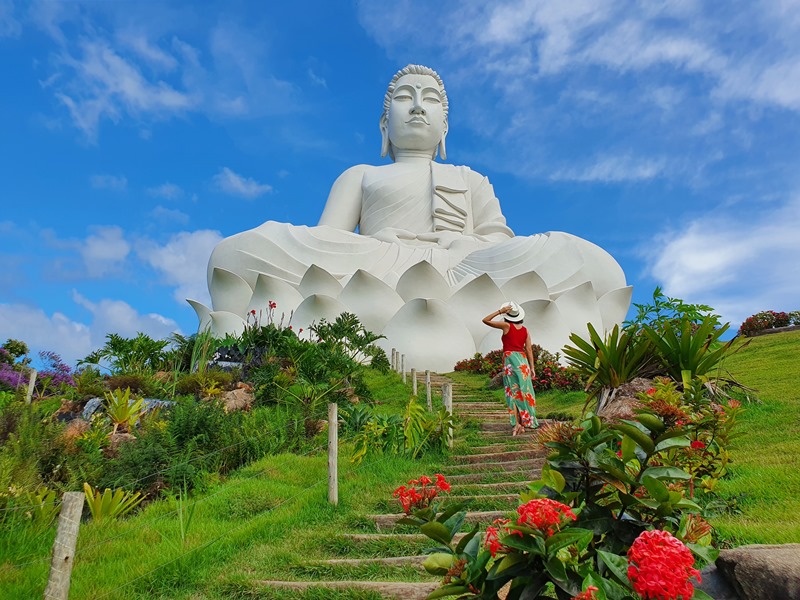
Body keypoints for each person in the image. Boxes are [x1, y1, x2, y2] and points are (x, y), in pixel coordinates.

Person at [482, 302, 538, 436]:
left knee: (512, 393)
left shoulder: (507, 325)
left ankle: (517, 424)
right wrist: (532, 367)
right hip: (523, 363)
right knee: (524, 393)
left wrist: (500, 311)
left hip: (511, 362)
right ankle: (525, 423)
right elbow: (529, 349)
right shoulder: (525, 330)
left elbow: (485, 320)